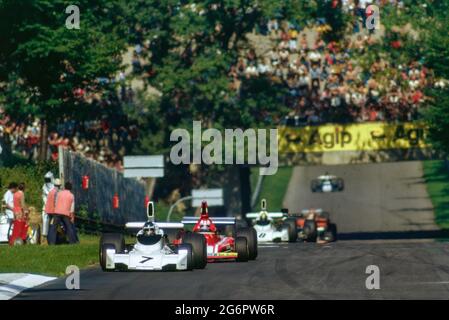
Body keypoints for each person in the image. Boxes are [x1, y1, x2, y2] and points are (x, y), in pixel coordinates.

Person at [42, 172, 55, 241]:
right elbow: (44, 197)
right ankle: (44, 237)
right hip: (46, 207)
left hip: (54, 208)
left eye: (48, 179)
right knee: (45, 221)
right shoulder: (44, 186)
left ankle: (53, 236)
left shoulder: (55, 187)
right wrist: (47, 203)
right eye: (46, 179)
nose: (47, 181)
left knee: (54, 222)